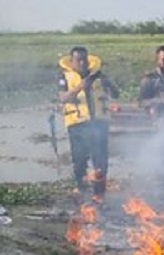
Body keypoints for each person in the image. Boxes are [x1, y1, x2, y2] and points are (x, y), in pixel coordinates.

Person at [58, 46, 119, 205]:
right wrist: (79, 87)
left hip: (99, 124)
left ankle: (99, 195)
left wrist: (109, 83)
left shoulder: (99, 76)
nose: (82, 62)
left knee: (100, 160)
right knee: (79, 161)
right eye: (79, 60)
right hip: (77, 125)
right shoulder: (64, 76)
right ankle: (82, 192)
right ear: (72, 61)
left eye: (84, 59)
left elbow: (115, 93)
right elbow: (63, 98)